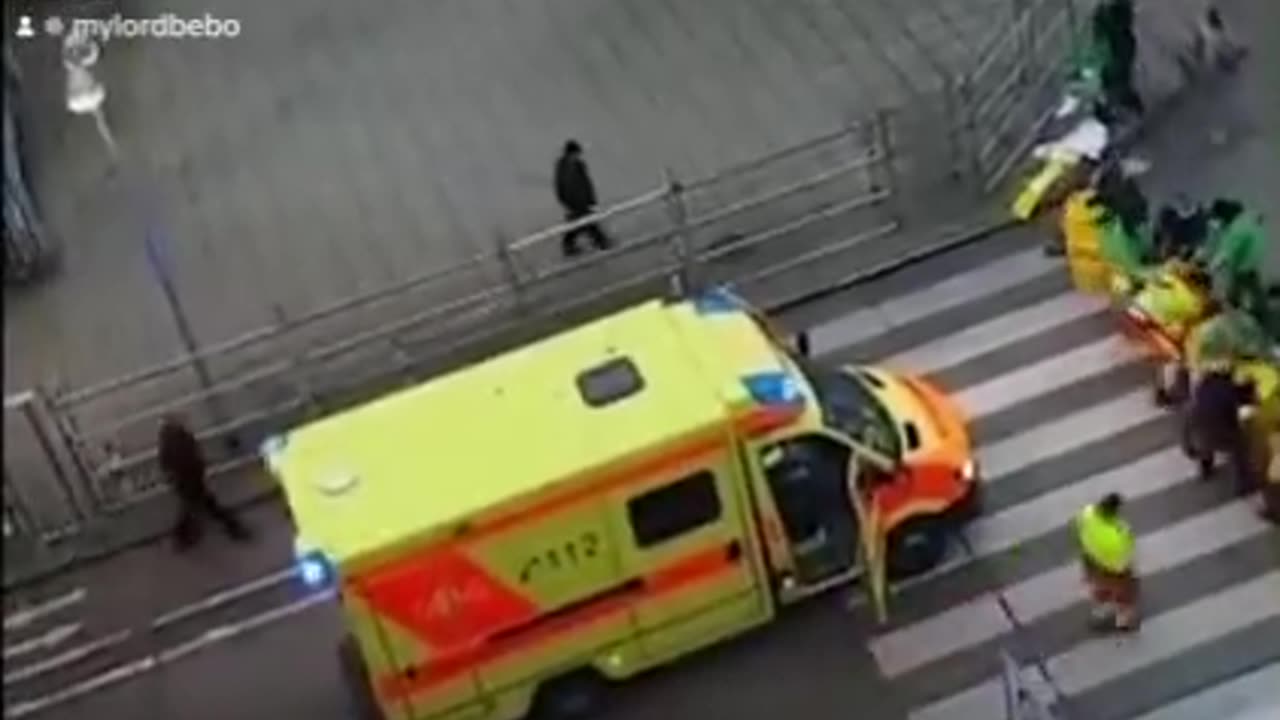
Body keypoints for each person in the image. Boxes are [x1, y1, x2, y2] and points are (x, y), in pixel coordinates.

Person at [157, 416, 250, 550]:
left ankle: (182, 539)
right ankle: (234, 529)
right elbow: (196, 455)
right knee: (207, 506)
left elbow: (166, 465)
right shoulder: (185, 437)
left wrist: (172, 480)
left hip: (185, 482)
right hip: (194, 478)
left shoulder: (166, 445)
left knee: (194, 508)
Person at [1185, 364, 1259, 496]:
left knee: (1206, 435)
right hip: (1221, 436)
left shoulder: (1202, 387)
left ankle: (1205, 467)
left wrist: (1188, 447)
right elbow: (1244, 406)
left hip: (1198, 436)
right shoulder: (1230, 390)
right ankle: (1243, 484)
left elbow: (1191, 416)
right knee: (1241, 446)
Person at [1075, 493, 1139, 632]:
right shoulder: (1119, 532)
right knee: (1124, 592)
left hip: (1091, 560)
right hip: (1113, 568)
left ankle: (1101, 607)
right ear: (1115, 510)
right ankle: (1122, 620)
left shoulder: (1088, 513)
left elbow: (1079, 528)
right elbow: (1124, 557)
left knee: (1099, 586)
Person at [1198, 199, 1266, 310]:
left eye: (1215, 219)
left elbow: (1224, 254)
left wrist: (1208, 270)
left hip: (1244, 264)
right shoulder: (1243, 220)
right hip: (1250, 262)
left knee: (1237, 291)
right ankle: (1258, 309)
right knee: (1250, 287)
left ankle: (1246, 313)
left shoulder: (1235, 230)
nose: (1213, 223)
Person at [553, 139, 612, 258]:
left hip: (575, 202)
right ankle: (601, 242)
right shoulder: (572, 167)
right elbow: (584, 185)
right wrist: (590, 200)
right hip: (578, 201)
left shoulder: (563, 166)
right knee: (587, 223)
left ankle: (570, 246)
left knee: (578, 224)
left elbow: (561, 186)